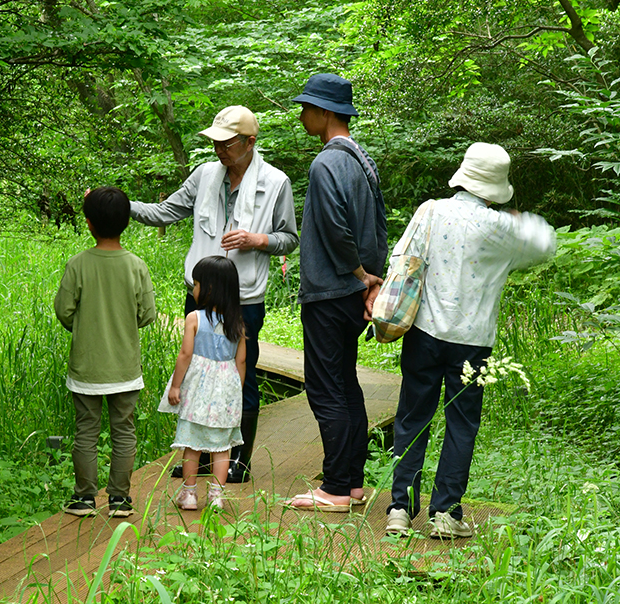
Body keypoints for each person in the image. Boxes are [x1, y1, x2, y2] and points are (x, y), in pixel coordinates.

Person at [384, 143, 556, 538]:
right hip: (473, 342)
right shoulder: (501, 228)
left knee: (412, 418)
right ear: (496, 187)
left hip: (424, 332)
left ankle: (398, 509)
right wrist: (515, 219)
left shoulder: (432, 211)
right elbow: (546, 242)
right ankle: (445, 514)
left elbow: (401, 259)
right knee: (461, 425)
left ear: (463, 175)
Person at [130, 105, 299, 483]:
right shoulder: (205, 175)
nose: (220, 150)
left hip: (245, 298)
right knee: (195, 373)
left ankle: (238, 461)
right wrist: (121, 205)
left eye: (227, 143)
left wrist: (258, 240)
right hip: (201, 294)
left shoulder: (275, 182)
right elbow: (165, 212)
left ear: (250, 141)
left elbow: (289, 239)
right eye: (216, 143)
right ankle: (201, 459)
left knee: (241, 375)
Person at [283, 73, 388, 512]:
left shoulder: (326, 163)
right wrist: (371, 279)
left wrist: (358, 273)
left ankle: (335, 489)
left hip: (329, 293)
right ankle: (353, 483)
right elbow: (378, 229)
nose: (302, 114)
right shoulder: (362, 159)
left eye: (307, 107)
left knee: (325, 389)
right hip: (352, 294)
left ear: (325, 113)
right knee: (346, 384)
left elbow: (334, 228)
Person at [54, 186, 157, 519]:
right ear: (127, 221)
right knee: (124, 430)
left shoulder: (78, 264)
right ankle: (120, 500)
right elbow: (147, 314)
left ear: (88, 223)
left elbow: (64, 310)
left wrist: (83, 328)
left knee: (86, 430)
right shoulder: (136, 266)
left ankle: (84, 498)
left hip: (86, 367)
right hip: (125, 367)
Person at [159, 256, 247, 510]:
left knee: (192, 443)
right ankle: (216, 496)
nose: (193, 289)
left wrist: (175, 386)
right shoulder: (238, 323)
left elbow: (185, 355)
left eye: (196, 284)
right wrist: (236, 391)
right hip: (226, 390)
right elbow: (241, 362)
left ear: (208, 289)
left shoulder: (194, 318)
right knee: (221, 447)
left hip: (198, 388)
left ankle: (189, 495)